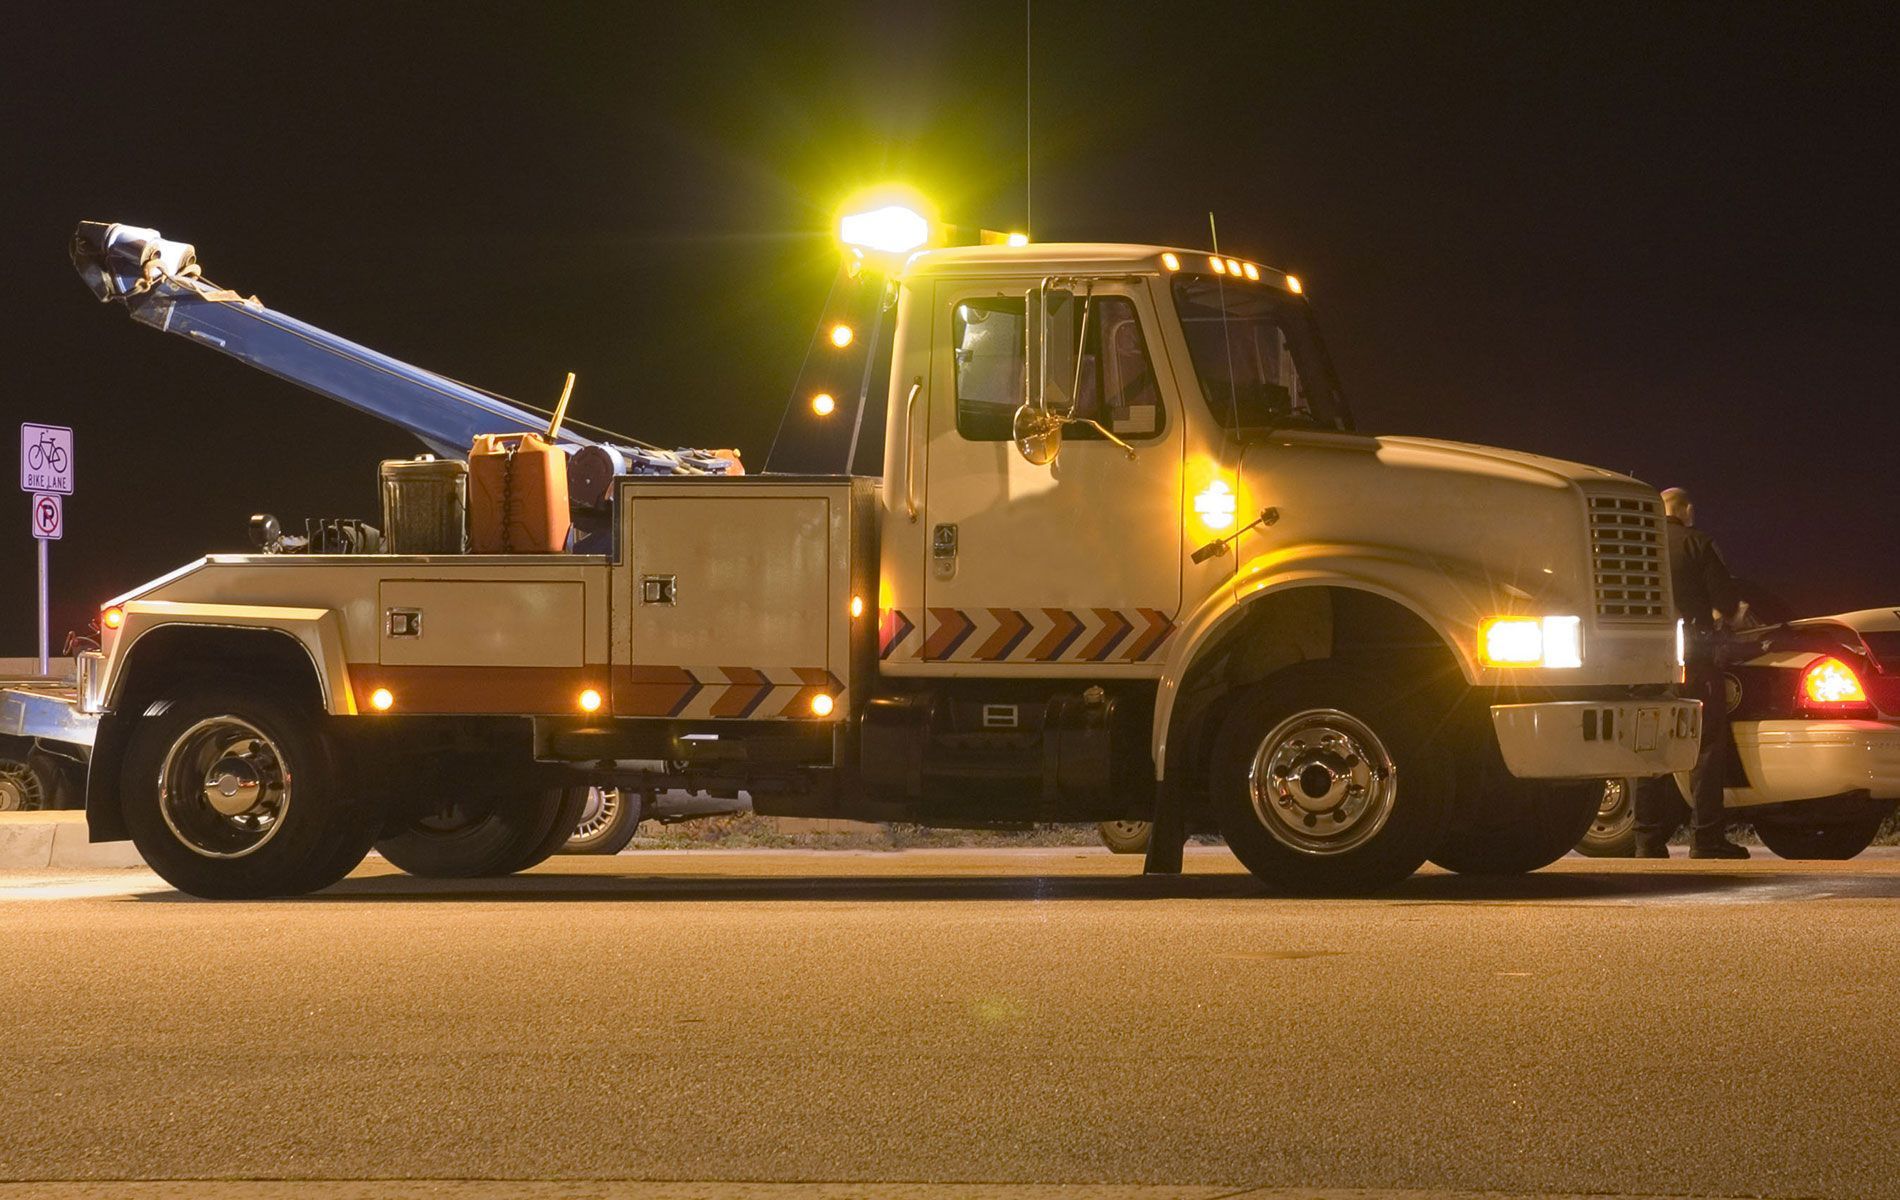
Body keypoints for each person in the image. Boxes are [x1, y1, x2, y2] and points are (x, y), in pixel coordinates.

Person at [1634, 487, 1748, 859]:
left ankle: (1646, 840)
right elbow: (1727, 603)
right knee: (1707, 746)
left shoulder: (1638, 546)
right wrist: (1731, 615)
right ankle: (1706, 837)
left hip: (1643, 661)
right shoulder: (1698, 543)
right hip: (1694, 659)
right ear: (1686, 510)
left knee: (1648, 746)